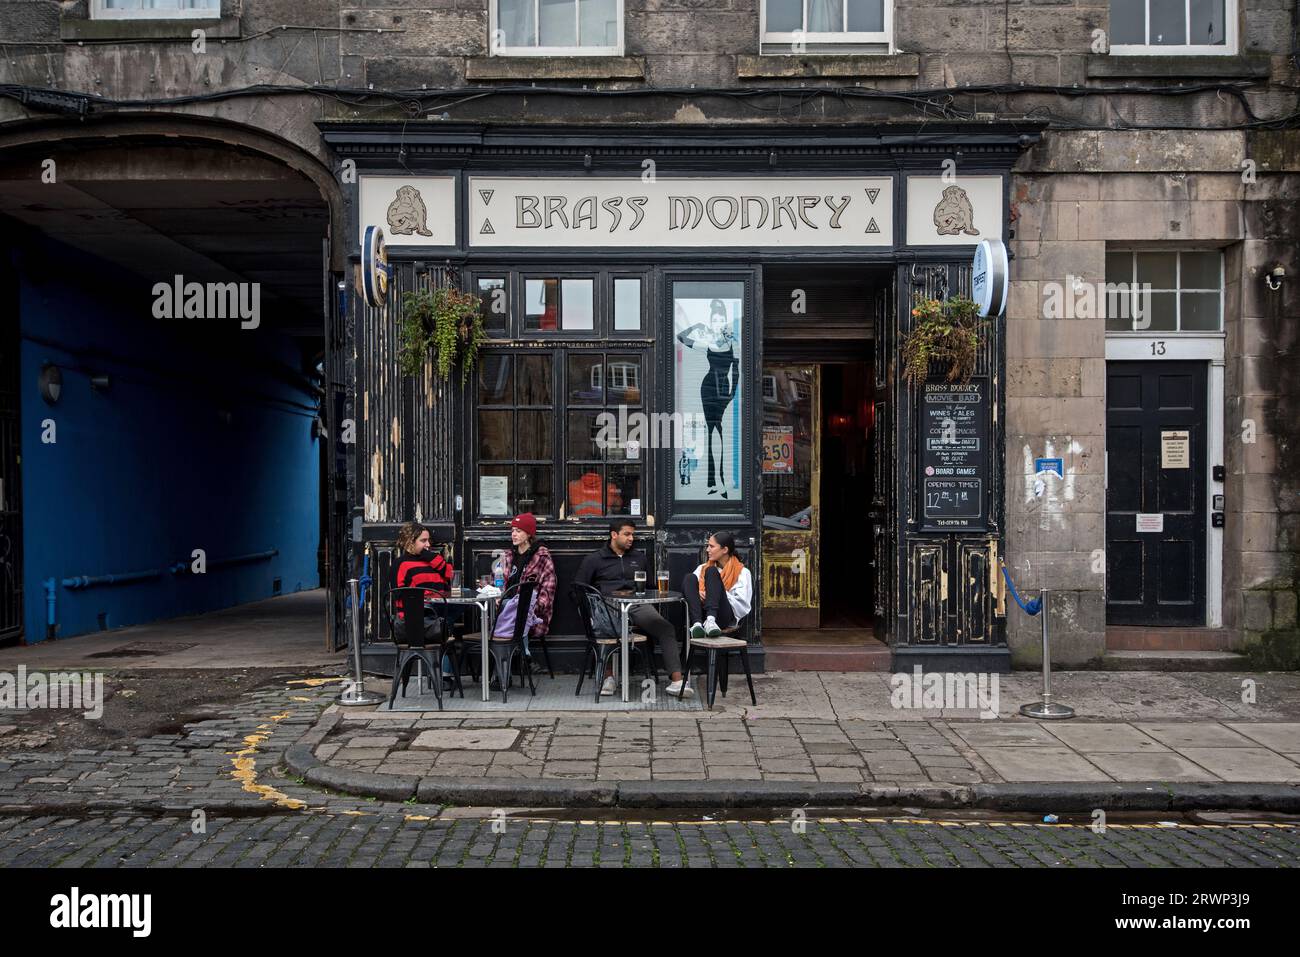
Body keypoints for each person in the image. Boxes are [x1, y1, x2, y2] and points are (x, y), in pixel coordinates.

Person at [575, 519, 694, 699]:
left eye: (633, 534)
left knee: (666, 628)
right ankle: (609, 678)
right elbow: (578, 588)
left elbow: (650, 586)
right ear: (614, 535)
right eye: (627, 534)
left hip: (637, 604)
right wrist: (589, 611)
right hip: (608, 605)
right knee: (605, 629)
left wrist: (654, 596)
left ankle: (677, 682)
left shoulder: (638, 557)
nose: (631, 538)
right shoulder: (595, 559)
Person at [676, 297, 739, 499]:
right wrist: (697, 325)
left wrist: (733, 393)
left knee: (719, 433)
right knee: (713, 431)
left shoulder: (733, 342)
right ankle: (715, 482)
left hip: (724, 389)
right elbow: (681, 337)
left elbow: (736, 370)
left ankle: (717, 481)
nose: (717, 323)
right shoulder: (708, 345)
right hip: (709, 387)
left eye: (721, 319)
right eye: (714, 320)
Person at [393, 521, 457, 689]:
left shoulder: (432, 560)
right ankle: (442, 675)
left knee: (454, 613)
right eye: (423, 541)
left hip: (436, 614)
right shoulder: (401, 564)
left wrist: (431, 557)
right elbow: (399, 594)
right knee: (446, 623)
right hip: (415, 622)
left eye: (428, 541)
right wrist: (426, 595)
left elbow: (450, 575)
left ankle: (443, 674)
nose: (428, 544)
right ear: (409, 541)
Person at [497, 513, 557, 666]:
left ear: (529, 533)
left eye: (518, 531)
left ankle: (501, 671)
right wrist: (496, 596)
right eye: (512, 531)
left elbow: (548, 591)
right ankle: (523, 651)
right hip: (504, 609)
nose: (514, 534)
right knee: (503, 605)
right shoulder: (508, 556)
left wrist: (529, 607)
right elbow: (496, 583)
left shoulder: (542, 557)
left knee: (513, 607)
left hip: (532, 613)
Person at [683, 531, 753, 640]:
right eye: (708, 546)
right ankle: (697, 625)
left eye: (711, 546)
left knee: (711, 572)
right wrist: (698, 593)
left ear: (725, 550)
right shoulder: (702, 568)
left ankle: (711, 620)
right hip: (701, 614)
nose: (707, 550)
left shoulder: (743, 572)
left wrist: (715, 593)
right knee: (689, 578)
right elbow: (690, 591)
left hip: (722, 616)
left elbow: (742, 605)